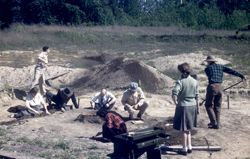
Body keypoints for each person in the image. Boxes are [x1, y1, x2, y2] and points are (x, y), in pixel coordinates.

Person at [204, 55, 246, 129]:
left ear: (209, 61)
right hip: (220, 87)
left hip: (212, 86)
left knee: (208, 105)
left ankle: (214, 123)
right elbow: (231, 71)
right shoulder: (221, 66)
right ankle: (217, 124)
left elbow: (210, 76)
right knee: (217, 106)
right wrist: (241, 76)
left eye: (207, 62)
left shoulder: (207, 69)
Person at [172, 63, 198, 156]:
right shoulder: (195, 81)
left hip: (183, 106)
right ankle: (189, 147)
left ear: (181, 72)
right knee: (189, 128)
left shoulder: (180, 81)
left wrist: (175, 102)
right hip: (193, 106)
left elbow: (175, 92)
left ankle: (184, 148)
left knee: (183, 129)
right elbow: (197, 95)